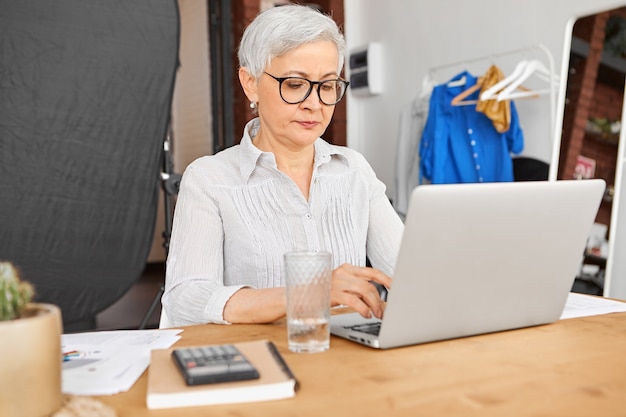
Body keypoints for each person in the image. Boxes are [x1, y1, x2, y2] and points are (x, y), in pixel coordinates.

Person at [161, 4, 404, 327]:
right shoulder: (209, 179)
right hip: (262, 362)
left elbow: (407, 272)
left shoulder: (354, 171)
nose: (314, 104)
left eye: (328, 85)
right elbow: (186, 299)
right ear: (250, 84)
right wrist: (310, 292)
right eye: (294, 84)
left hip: (351, 361)